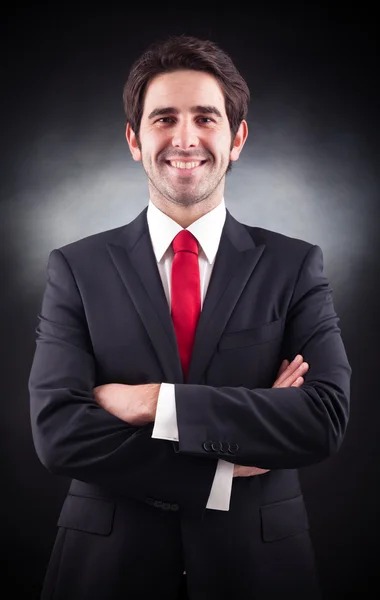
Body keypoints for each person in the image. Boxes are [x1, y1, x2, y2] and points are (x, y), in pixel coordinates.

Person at [28, 35, 351, 600]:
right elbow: (59, 434)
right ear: (134, 139)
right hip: (107, 567)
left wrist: (156, 402)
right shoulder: (75, 268)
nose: (184, 138)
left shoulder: (295, 265)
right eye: (164, 119)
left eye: (206, 117)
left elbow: (321, 419)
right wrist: (223, 468)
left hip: (259, 569)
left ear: (237, 138)